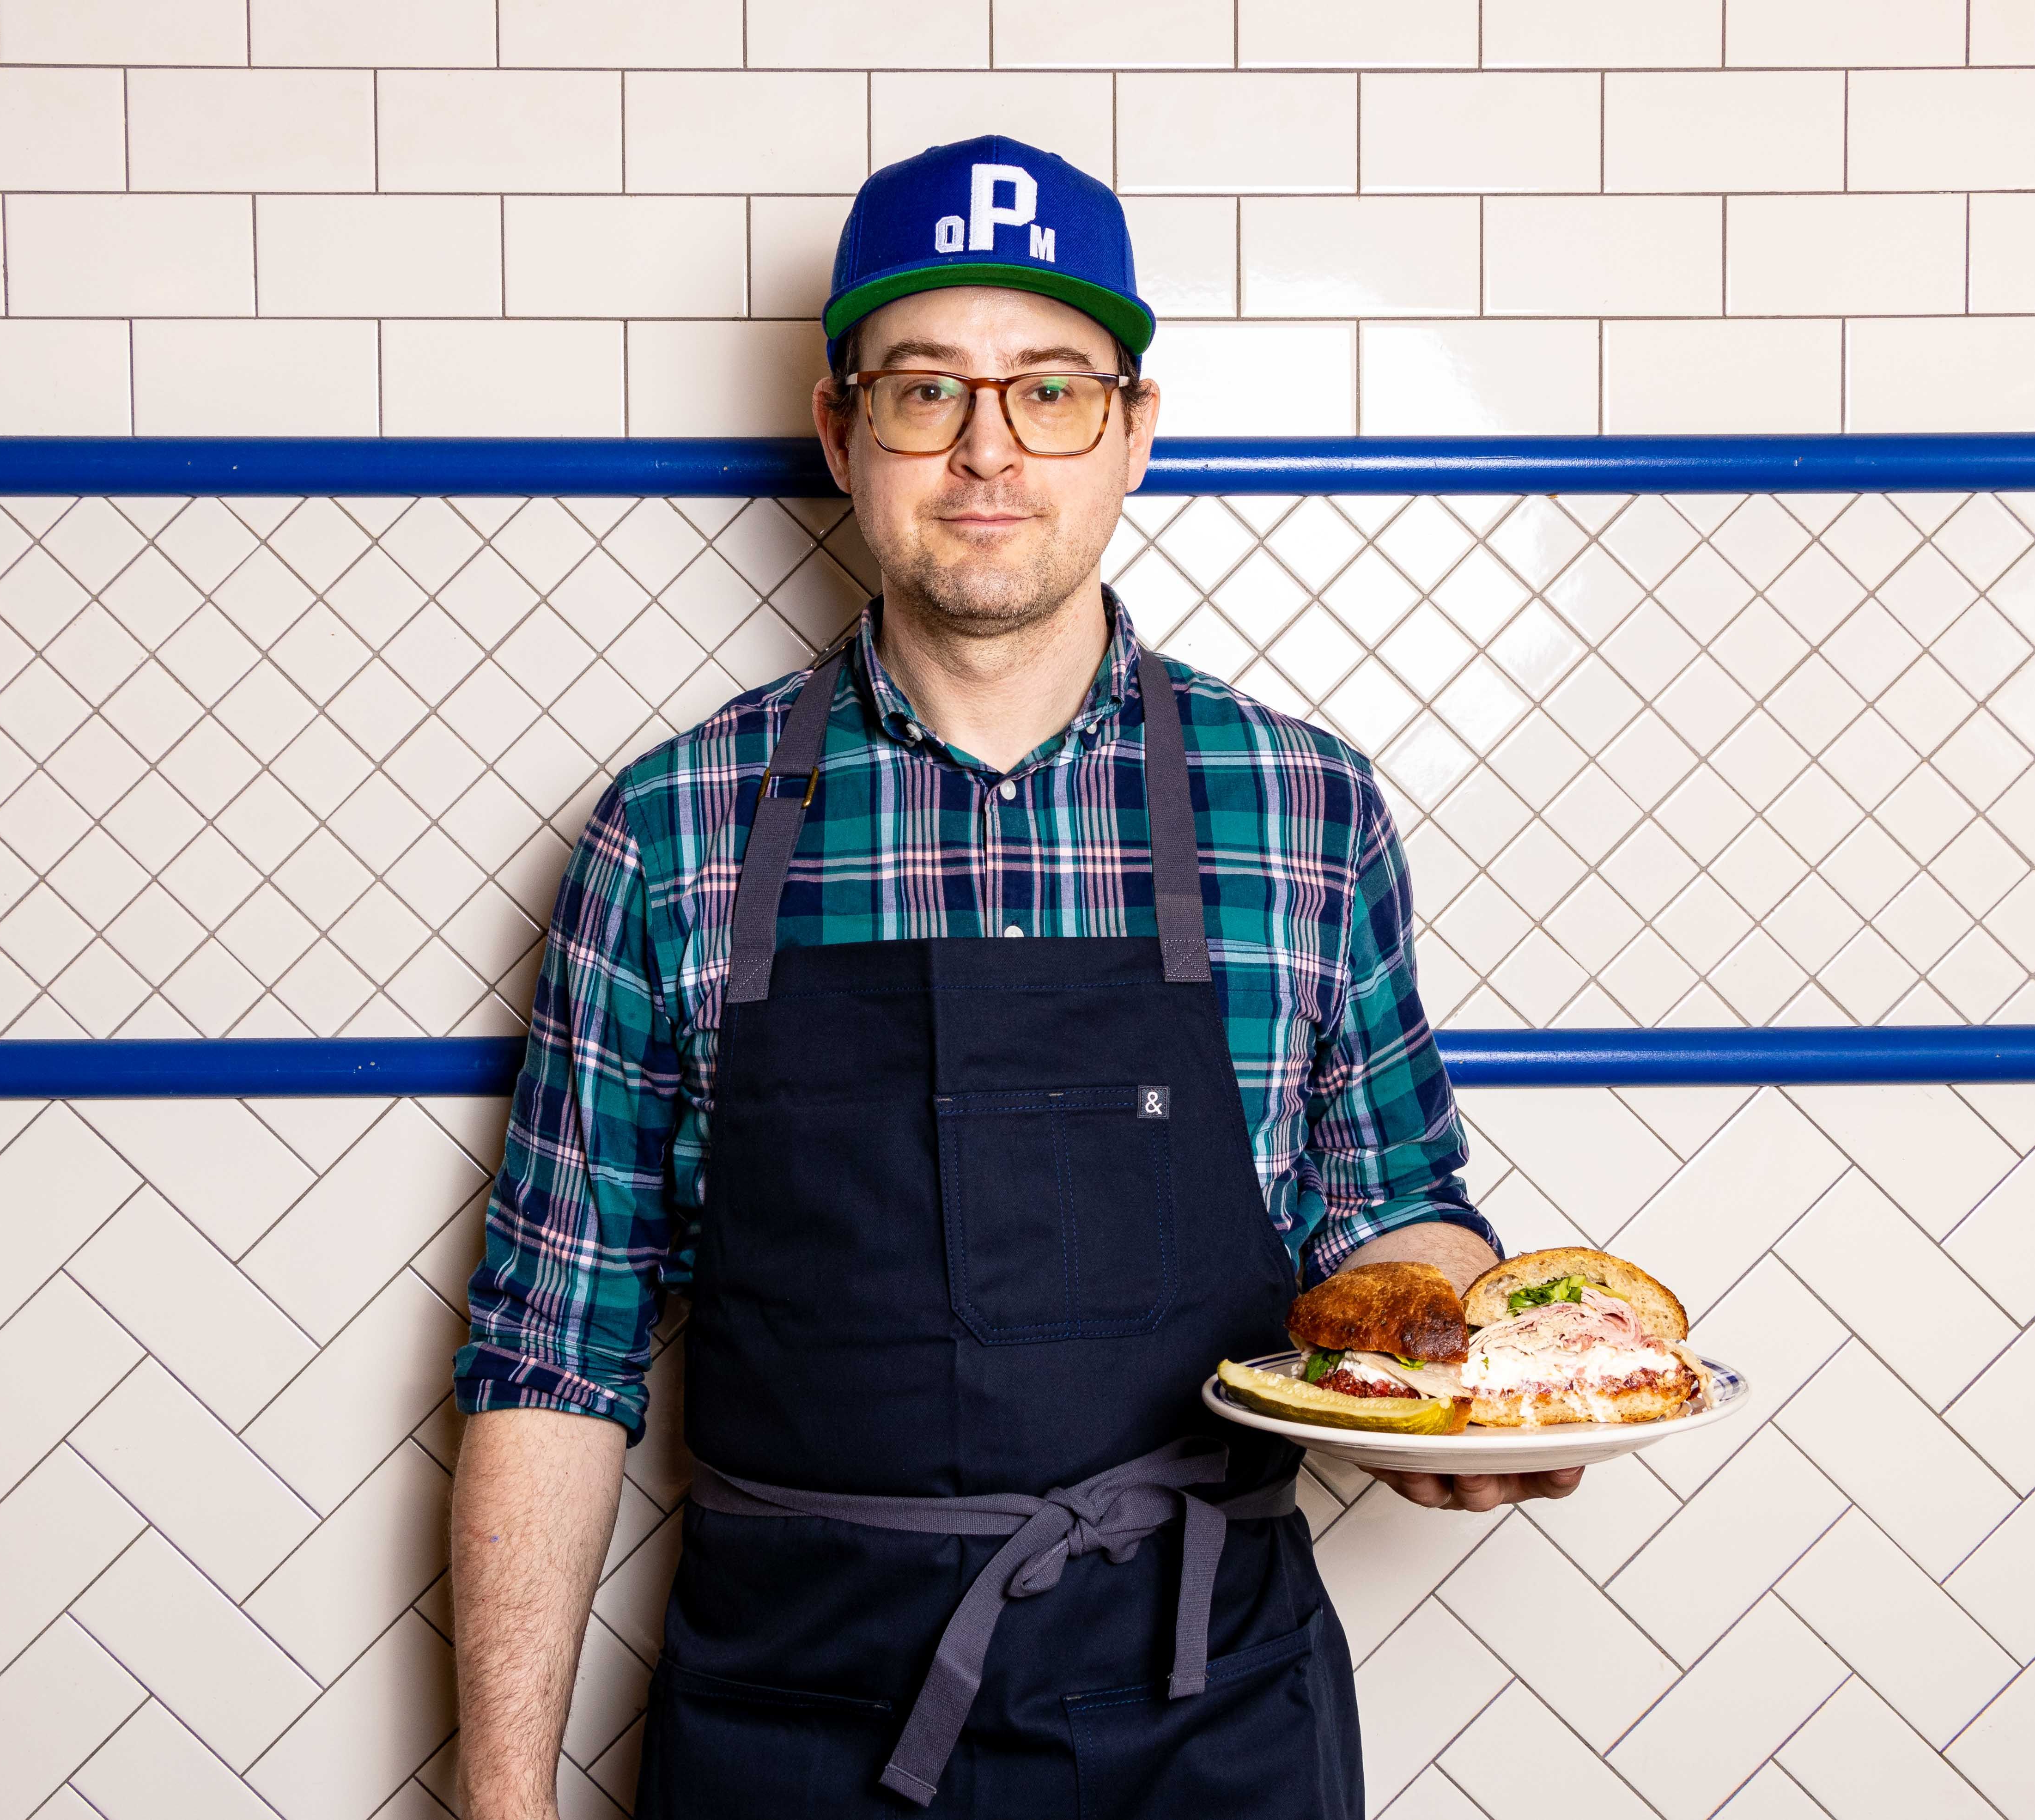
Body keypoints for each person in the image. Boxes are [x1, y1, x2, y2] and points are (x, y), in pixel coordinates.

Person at [446, 134, 1581, 1820]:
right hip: (791, 1731)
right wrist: (502, 1800)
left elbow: (1390, 1208)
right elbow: (553, 1350)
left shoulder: (1303, 805)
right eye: (925, 392)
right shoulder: (673, 830)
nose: (989, 450)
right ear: (841, 431)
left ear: (1131, 429)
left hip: (1207, 1723)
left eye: (1050, 390)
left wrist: (1467, 1380)